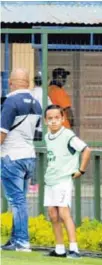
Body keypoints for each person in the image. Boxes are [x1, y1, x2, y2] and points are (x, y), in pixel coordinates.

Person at [0, 68, 42, 252]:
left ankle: (22, 241)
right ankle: (15, 239)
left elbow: (2, 133)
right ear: (28, 82)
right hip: (29, 156)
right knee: (20, 199)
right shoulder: (36, 103)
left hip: (11, 156)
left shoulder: (11, 102)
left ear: (11, 82)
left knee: (17, 200)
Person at [43, 104, 91, 259]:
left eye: (57, 118)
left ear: (63, 119)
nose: (53, 121)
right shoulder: (47, 136)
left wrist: (81, 170)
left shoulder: (68, 135)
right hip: (50, 180)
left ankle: (74, 249)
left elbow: (86, 150)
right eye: (50, 119)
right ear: (45, 121)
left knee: (64, 212)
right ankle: (59, 248)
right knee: (52, 213)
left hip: (63, 180)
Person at [29, 71, 53, 193]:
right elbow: (50, 112)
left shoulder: (30, 93)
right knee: (40, 157)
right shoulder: (45, 96)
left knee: (31, 155)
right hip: (40, 130)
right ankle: (36, 182)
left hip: (29, 130)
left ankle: (31, 182)